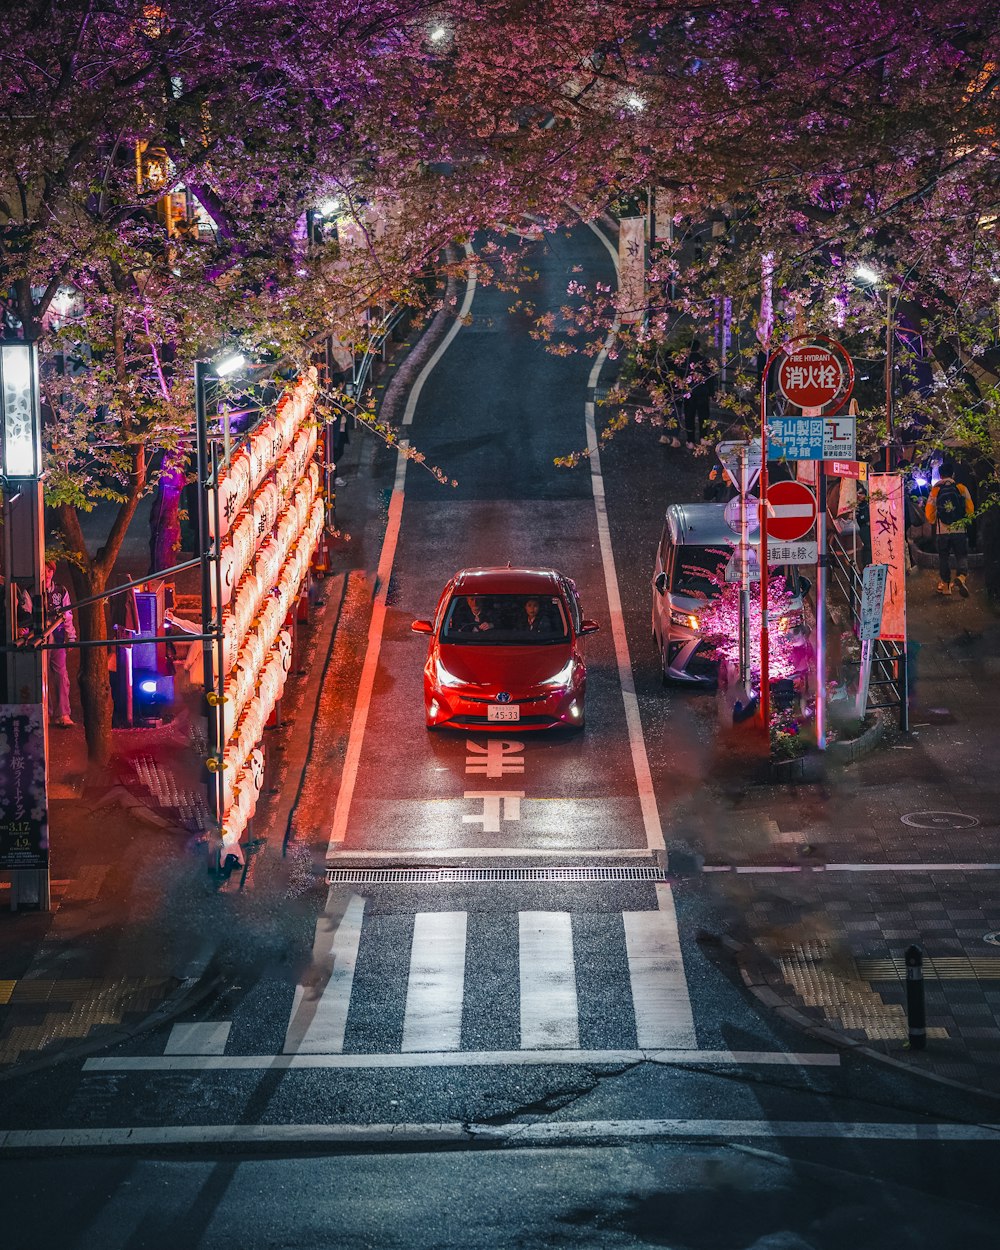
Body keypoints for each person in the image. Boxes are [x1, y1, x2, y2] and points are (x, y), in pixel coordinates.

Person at [925, 459, 974, 596]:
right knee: (961, 555)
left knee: (944, 557)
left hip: (943, 531)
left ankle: (946, 586)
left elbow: (929, 511)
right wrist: (965, 520)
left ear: (940, 475)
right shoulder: (961, 488)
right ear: (953, 474)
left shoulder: (936, 490)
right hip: (959, 529)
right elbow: (970, 508)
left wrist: (934, 520)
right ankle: (961, 577)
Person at [43, 561, 76, 725]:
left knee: (61, 675)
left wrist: (71, 637)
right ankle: (45, 713)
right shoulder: (32, 591)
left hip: (57, 636)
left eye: (50, 570)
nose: (47, 573)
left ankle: (63, 713)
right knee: (42, 676)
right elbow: (25, 615)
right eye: (44, 569)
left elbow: (67, 615)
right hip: (41, 638)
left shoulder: (60, 590)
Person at [682, 339, 715, 448]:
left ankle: (690, 440)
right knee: (703, 416)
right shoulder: (704, 361)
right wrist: (711, 393)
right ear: (699, 348)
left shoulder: (684, 361)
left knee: (689, 417)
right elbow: (711, 378)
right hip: (702, 392)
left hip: (689, 393)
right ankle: (703, 437)